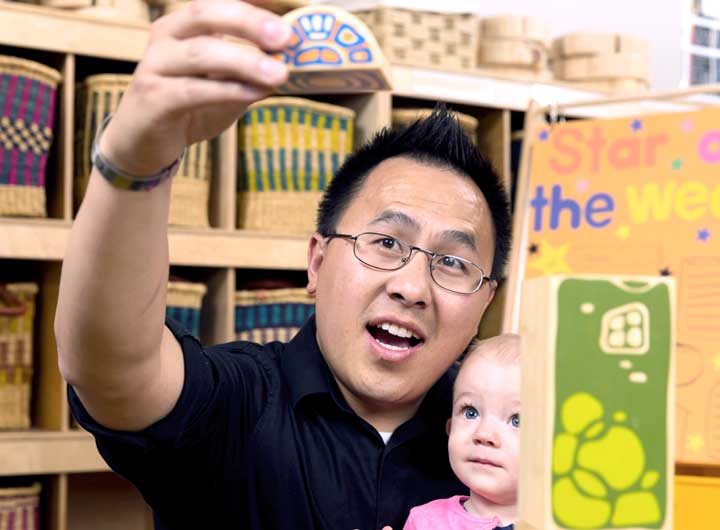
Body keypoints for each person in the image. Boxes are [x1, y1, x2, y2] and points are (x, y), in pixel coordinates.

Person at [54, 1, 512, 528]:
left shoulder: (512, 441)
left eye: (452, 262)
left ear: (484, 302)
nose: (412, 287)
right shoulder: (233, 405)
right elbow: (110, 365)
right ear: (317, 262)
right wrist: (137, 159)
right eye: (386, 243)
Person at [402, 334, 521, 530]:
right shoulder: (426, 523)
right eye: (471, 412)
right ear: (450, 429)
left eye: (517, 420)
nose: (484, 435)